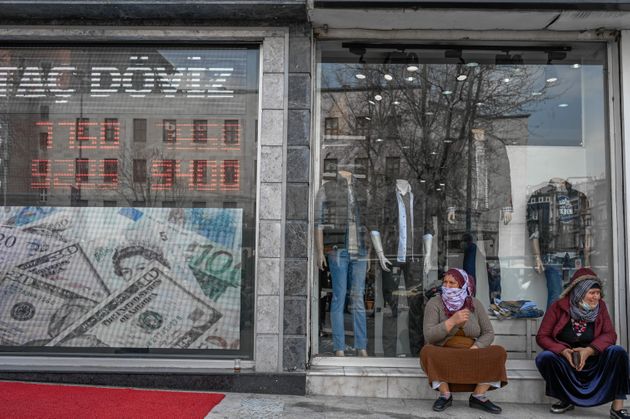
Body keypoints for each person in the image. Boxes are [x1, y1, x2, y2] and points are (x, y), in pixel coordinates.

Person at [535, 268, 630, 418]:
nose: (596, 297)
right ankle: (565, 399)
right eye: (592, 293)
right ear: (579, 292)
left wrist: (589, 351)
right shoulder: (558, 307)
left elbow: (610, 334)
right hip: (568, 360)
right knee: (545, 357)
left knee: (618, 352)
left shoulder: (601, 307)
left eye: (598, 293)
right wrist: (563, 351)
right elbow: (542, 336)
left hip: (594, 359)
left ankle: (617, 408)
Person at [420, 268, 507, 414]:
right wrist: (452, 322)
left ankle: (478, 396)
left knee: (499, 352)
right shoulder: (434, 303)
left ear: (463, 285)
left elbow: (488, 332)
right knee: (427, 351)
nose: (447, 286)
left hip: (471, 352)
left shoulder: (475, 304)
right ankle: (445, 395)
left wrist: (476, 347)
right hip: (445, 352)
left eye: (452, 283)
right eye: (445, 282)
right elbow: (429, 336)